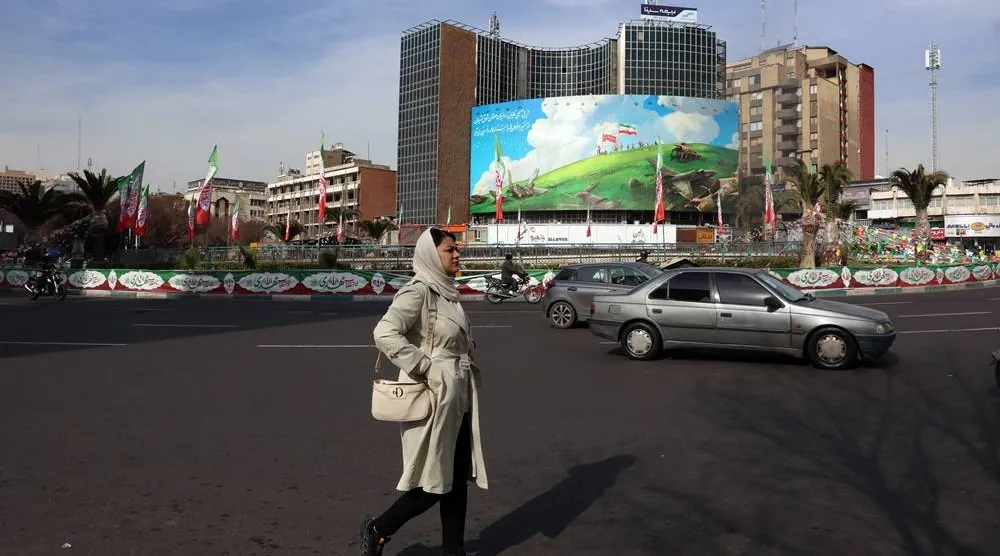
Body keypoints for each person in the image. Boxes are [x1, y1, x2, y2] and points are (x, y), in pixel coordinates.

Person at [361, 227, 488, 556]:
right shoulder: (418, 291)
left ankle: (453, 551)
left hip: (457, 395)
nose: (457, 254)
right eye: (450, 249)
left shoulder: (448, 292)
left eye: (456, 248)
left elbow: (444, 335)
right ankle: (379, 528)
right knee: (433, 481)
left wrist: (466, 345)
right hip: (434, 397)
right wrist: (426, 367)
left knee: (456, 479)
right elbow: (384, 333)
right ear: (432, 255)